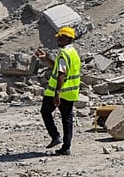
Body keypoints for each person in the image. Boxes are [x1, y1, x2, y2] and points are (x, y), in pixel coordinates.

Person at [35, 26, 81, 156]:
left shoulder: (63, 54)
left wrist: (57, 93)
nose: (58, 40)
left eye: (61, 38)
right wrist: (45, 59)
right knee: (67, 118)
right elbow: (58, 66)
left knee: (45, 111)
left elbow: (61, 73)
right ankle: (66, 147)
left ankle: (55, 136)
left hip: (58, 92)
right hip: (71, 92)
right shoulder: (73, 52)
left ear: (67, 39)